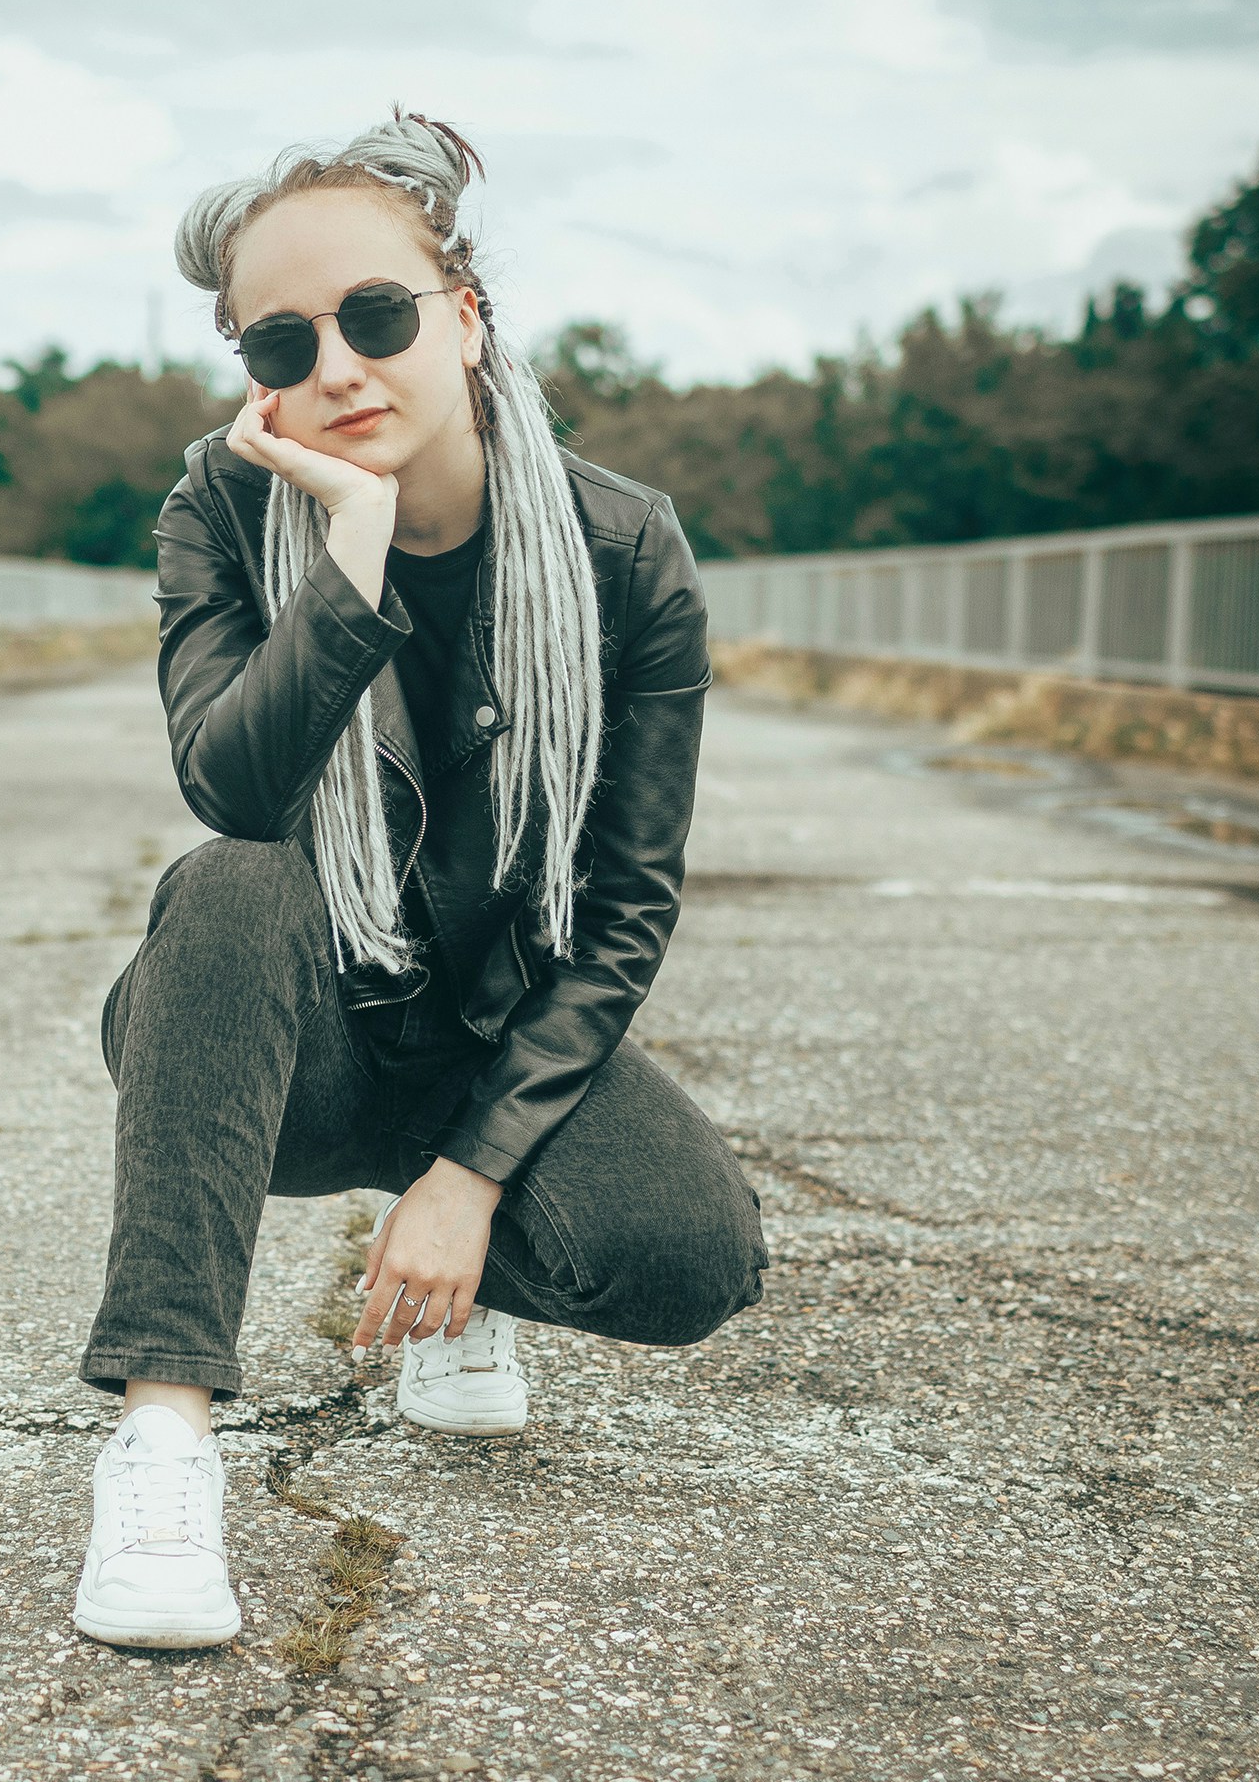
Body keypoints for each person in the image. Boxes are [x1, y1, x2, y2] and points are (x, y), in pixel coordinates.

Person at [71, 112, 767, 1649]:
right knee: (232, 881)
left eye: (376, 316)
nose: (336, 368)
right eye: (282, 339)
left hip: (487, 1035)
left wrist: (472, 1177)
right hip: (281, 1033)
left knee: (690, 1257)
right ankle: (163, 1446)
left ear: (465, 315)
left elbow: (627, 898)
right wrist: (351, 553)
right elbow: (236, 790)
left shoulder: (623, 548)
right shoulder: (223, 508)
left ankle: (448, 1288)